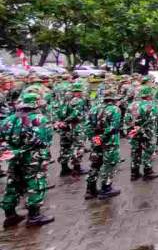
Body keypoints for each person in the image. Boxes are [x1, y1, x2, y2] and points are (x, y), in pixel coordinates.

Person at [0, 92, 55, 227]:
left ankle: (10, 214)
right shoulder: (40, 119)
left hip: (14, 156)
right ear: (35, 103)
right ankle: (34, 216)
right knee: (35, 183)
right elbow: (45, 140)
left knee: (13, 183)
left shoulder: (9, 119)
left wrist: (12, 148)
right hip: (32, 157)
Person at [85, 88, 123, 200]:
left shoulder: (94, 108)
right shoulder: (115, 109)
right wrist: (103, 137)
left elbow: (87, 126)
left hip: (96, 140)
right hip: (109, 141)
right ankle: (106, 188)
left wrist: (95, 138)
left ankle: (90, 189)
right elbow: (114, 127)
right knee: (109, 164)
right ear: (113, 99)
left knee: (95, 163)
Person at [124, 86, 158, 180]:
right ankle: (148, 171)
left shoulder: (132, 104)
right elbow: (154, 118)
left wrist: (132, 128)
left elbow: (127, 119)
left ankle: (134, 172)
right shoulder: (151, 105)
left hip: (133, 131)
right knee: (148, 150)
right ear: (149, 95)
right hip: (147, 132)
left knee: (135, 151)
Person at [55, 82, 90, 176]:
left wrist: (61, 122)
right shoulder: (78, 100)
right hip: (76, 126)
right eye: (81, 91)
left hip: (64, 127)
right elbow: (75, 114)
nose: (82, 93)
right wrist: (66, 121)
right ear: (77, 92)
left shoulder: (63, 100)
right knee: (78, 146)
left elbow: (57, 112)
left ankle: (64, 168)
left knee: (64, 147)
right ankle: (77, 167)